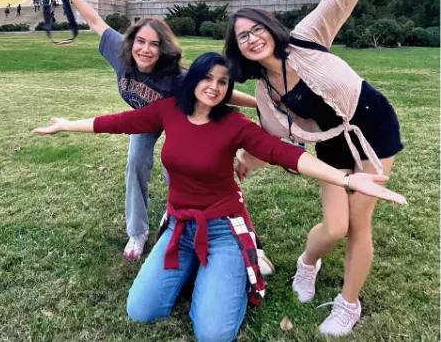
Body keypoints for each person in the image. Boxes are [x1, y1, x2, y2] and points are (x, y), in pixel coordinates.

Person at [34, 52, 405, 342]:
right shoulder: (168, 112)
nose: (214, 87)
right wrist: (66, 125)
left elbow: (288, 154)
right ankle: (201, 269)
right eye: (207, 78)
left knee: (213, 334)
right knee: (141, 310)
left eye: (223, 82)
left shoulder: (234, 124)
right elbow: (116, 123)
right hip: (179, 227)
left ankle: (240, 264)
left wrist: (345, 177)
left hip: (223, 229)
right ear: (193, 79)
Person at [224, 0, 403, 336]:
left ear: (270, 27)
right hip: (331, 146)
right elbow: (275, 140)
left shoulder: (306, 39)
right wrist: (247, 160)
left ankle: (348, 303)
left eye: (256, 29)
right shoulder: (266, 93)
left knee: (359, 223)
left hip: (375, 127)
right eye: (242, 36)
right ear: (239, 49)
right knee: (334, 226)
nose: (252, 38)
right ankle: (308, 263)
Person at [49, 0, 258, 265]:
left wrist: (260, 104)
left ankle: (176, 212)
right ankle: (137, 232)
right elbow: (96, 21)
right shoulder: (118, 52)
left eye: (154, 44)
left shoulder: (175, 77)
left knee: (176, 167)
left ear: (162, 49)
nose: (145, 49)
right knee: (135, 163)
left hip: (177, 120)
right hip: (144, 120)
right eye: (141, 42)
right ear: (131, 42)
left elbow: (221, 95)